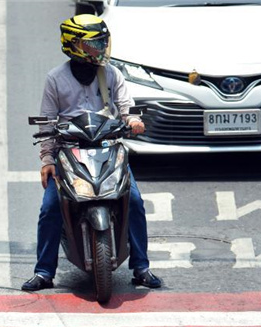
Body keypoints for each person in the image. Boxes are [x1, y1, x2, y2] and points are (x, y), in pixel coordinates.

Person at [21, 14, 163, 292]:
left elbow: (126, 107)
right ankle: (44, 271)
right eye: (93, 44)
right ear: (74, 45)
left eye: (101, 42)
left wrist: (133, 121)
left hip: (108, 147)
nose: (100, 48)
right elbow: (47, 121)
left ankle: (141, 267)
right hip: (69, 151)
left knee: (133, 200)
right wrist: (47, 160)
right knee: (51, 207)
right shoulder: (55, 79)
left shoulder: (111, 74)